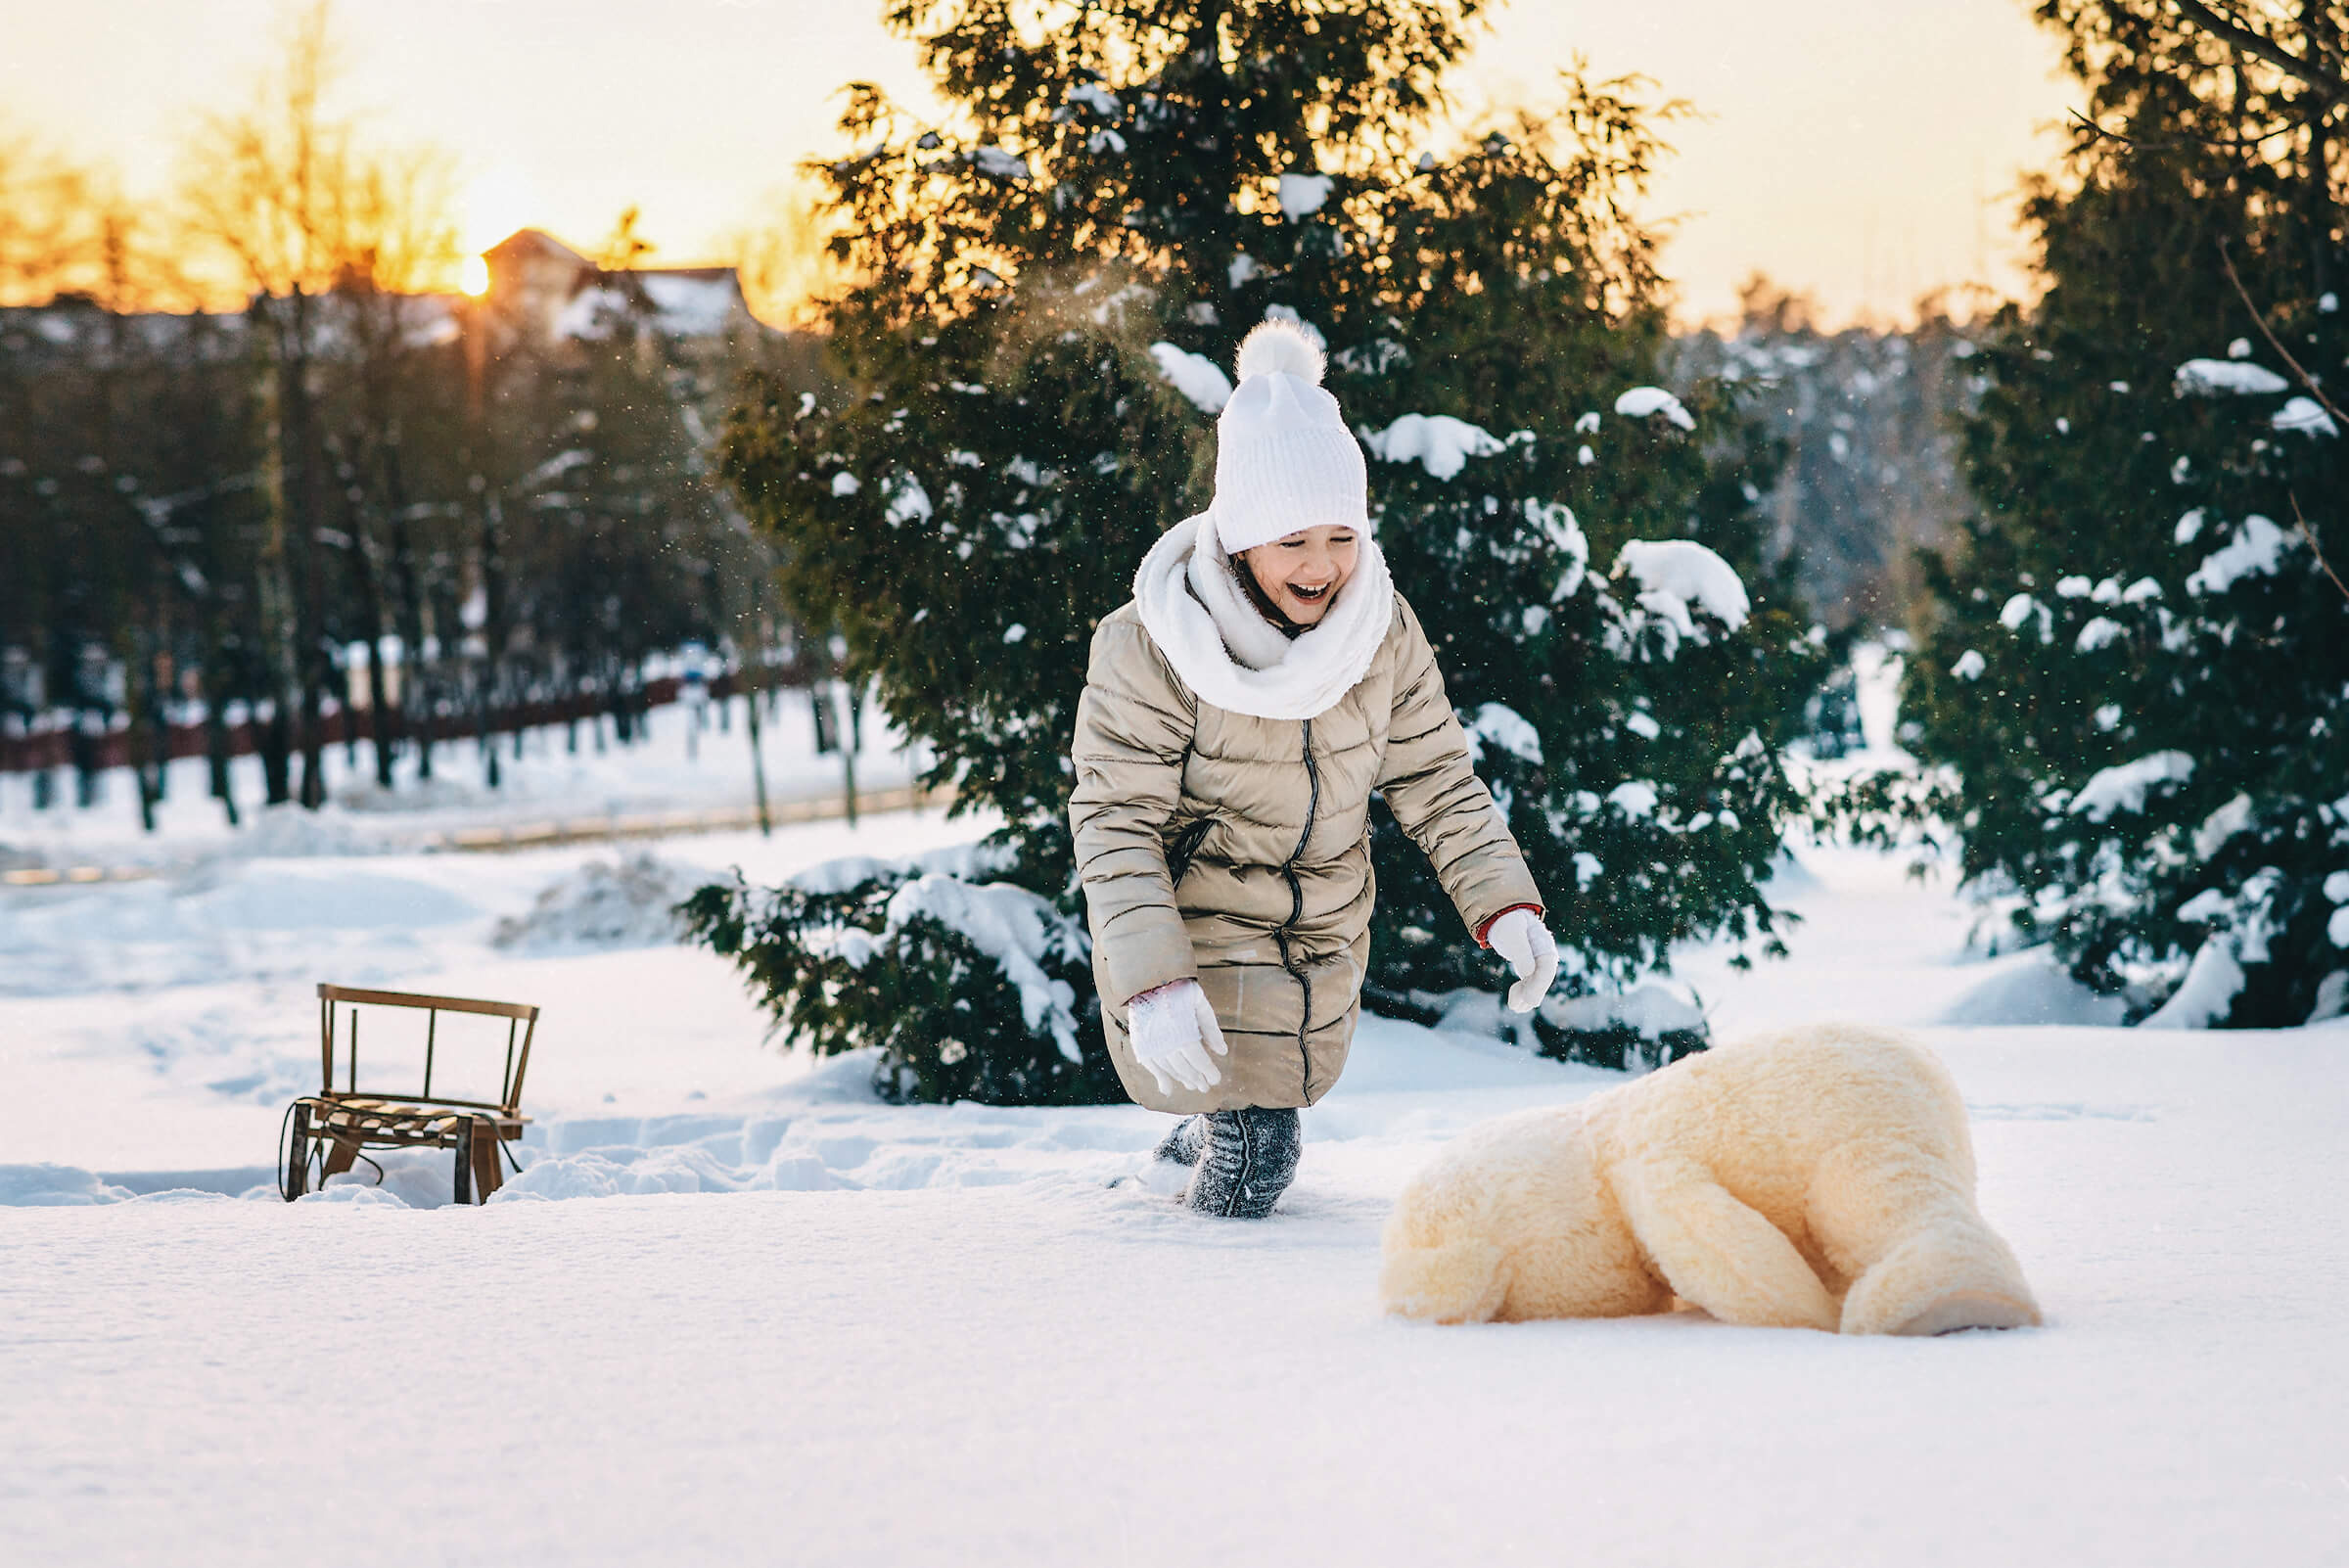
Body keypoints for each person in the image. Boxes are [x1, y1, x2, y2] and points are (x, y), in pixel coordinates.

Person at [1068, 319, 1559, 1219]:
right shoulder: (1156, 644)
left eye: (1342, 536)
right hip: (1199, 926)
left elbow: (1436, 781)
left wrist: (1504, 903)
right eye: (1294, 538)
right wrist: (1153, 978)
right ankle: (1219, 1319)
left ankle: (1180, 1158)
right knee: (1259, 1153)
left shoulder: (1381, 630)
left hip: (1326, 927)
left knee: (1262, 1106)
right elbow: (1116, 824)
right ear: (1242, 535)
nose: (1323, 565)